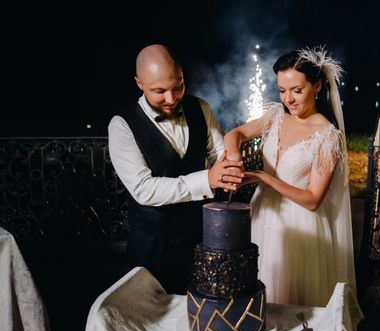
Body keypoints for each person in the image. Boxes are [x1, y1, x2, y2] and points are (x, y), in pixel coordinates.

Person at [224, 46, 356, 307]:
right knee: (257, 291)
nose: (289, 99)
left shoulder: (327, 135)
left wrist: (264, 177)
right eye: (282, 91)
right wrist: (233, 155)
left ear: (317, 86)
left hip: (300, 226)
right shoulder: (275, 118)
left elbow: (312, 200)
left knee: (290, 301)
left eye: (297, 90)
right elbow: (234, 134)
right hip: (262, 214)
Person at [108, 44, 243, 294]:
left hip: (201, 237)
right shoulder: (121, 125)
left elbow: (218, 154)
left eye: (178, 86)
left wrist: (231, 162)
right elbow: (144, 190)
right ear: (139, 83)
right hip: (153, 245)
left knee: (203, 311)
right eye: (159, 91)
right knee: (154, 318)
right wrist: (208, 179)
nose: (171, 99)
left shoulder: (200, 107)